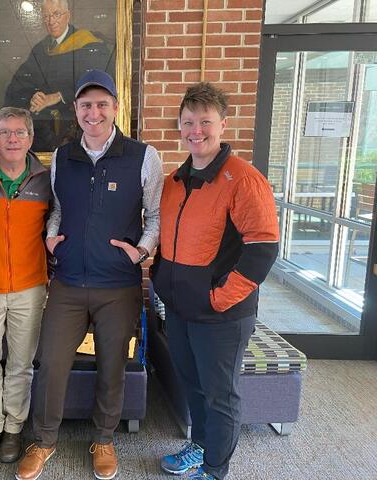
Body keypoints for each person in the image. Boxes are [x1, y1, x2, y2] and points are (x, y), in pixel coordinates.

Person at [15, 69, 164, 480]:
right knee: (50, 365)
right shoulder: (64, 156)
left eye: (101, 104)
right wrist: (50, 237)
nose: (93, 112)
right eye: (85, 105)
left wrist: (142, 253)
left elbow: (155, 217)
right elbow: (59, 209)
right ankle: (43, 441)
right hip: (67, 283)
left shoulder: (143, 155)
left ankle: (104, 438)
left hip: (118, 286)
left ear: (116, 107)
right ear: (76, 110)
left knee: (112, 365)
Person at [152, 83, 279, 480]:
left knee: (220, 394)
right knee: (192, 384)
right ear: (179, 126)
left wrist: (221, 298)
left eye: (205, 122)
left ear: (222, 124)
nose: (196, 130)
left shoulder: (243, 179)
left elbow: (263, 249)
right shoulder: (174, 181)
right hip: (179, 308)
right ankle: (201, 446)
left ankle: (215, 469)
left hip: (221, 314)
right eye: (188, 122)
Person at [0, 107, 51, 465]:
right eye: (4, 132)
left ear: (31, 139)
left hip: (30, 287)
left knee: (20, 364)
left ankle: (14, 430)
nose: (12, 139)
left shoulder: (47, 179)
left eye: (19, 132)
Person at [4, 0, 115, 152]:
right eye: (46, 16)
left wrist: (59, 96)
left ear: (67, 16)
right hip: (44, 128)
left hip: (77, 128)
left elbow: (100, 86)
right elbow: (20, 82)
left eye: (56, 14)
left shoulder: (88, 45)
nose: (51, 21)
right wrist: (34, 96)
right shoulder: (41, 49)